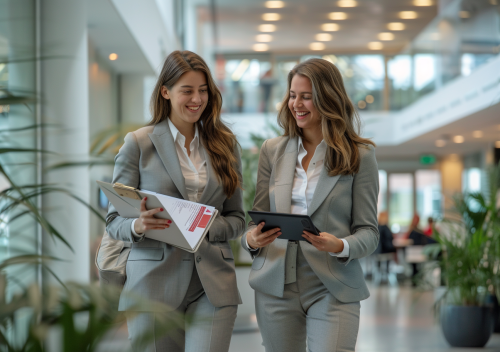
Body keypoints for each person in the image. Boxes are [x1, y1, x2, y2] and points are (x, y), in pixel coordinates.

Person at [106, 50, 245, 352]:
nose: (197, 99)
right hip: (152, 285)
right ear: (166, 92)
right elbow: (114, 222)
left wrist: (206, 225)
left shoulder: (225, 145)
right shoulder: (139, 144)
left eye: (203, 90)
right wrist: (138, 226)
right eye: (187, 91)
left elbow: (237, 219)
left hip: (213, 284)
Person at [241, 58, 379, 352]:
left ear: (327, 98)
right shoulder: (272, 151)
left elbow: (368, 232)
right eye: (292, 95)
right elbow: (256, 219)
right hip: (275, 283)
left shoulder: (359, 156)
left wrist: (340, 245)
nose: (297, 104)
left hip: (332, 285)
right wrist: (251, 239)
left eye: (307, 96)